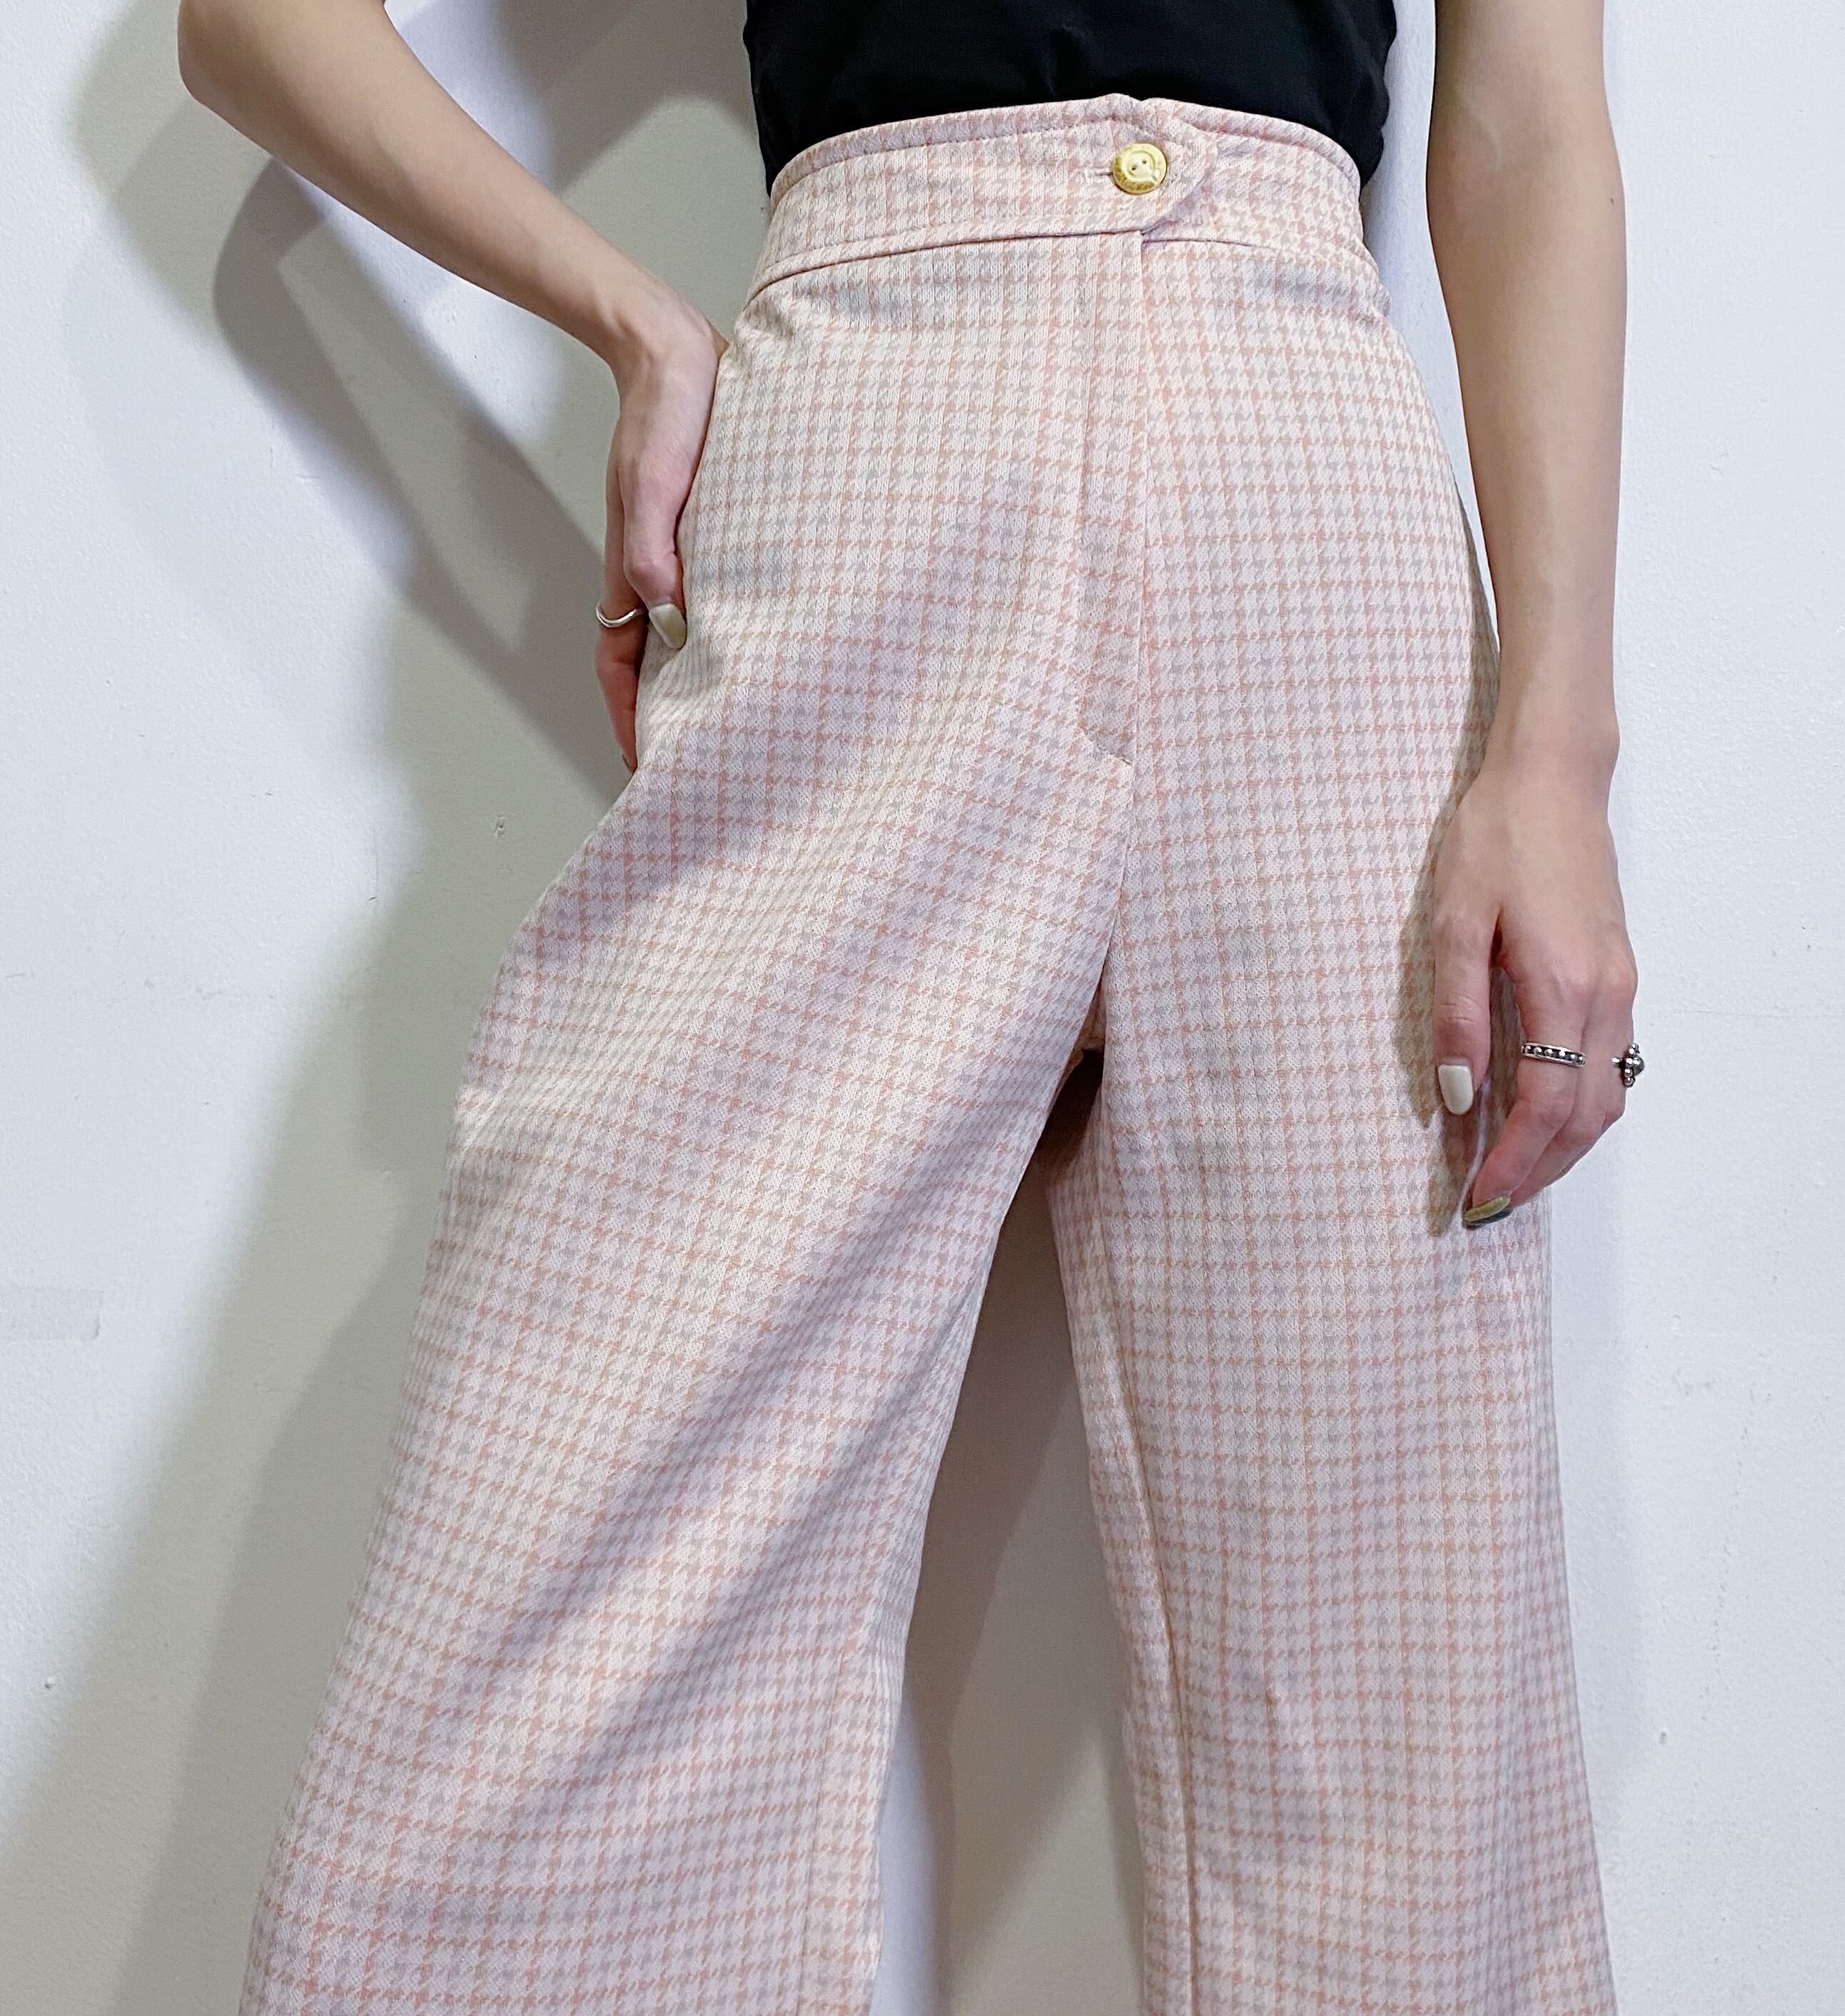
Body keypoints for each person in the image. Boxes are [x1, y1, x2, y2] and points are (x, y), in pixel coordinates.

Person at [178, 0, 1639, 2007]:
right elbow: (247, 24)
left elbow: (1528, 126)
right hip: (877, 436)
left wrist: (1555, 761)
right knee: (560, 1574)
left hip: (1310, 504)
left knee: (1393, 1649)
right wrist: (633, 318)